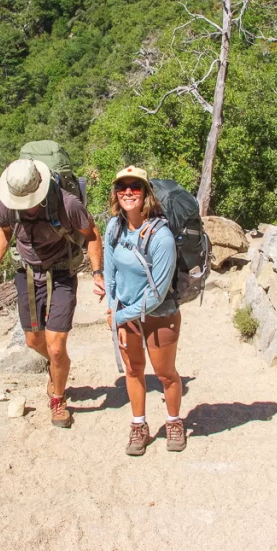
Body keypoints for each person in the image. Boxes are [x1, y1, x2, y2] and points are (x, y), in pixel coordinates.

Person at [0, 158, 105, 429]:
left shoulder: (67, 204)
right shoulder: (9, 203)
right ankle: (57, 366)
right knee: (34, 341)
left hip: (61, 274)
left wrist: (97, 273)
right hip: (26, 273)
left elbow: (92, 233)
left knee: (56, 347)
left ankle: (58, 398)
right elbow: (4, 230)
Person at [104, 166, 186, 456]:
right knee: (134, 370)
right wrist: (112, 306)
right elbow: (109, 268)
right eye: (122, 187)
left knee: (165, 374)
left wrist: (120, 317)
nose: (128, 192)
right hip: (126, 311)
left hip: (159, 315)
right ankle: (138, 425)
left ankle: (174, 422)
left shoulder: (161, 238)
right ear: (116, 194)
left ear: (146, 193)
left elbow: (157, 293)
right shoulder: (114, 227)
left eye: (135, 187)